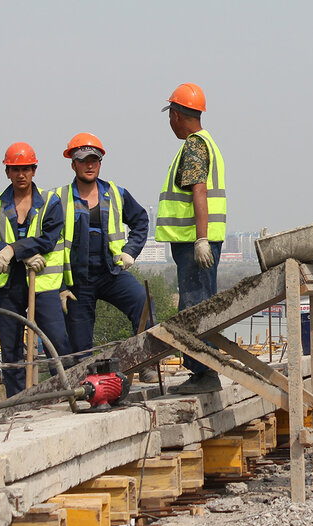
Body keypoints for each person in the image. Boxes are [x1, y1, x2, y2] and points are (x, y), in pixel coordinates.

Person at [0, 142, 71, 397]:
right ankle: (18, 400)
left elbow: (48, 239)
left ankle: (63, 392)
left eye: (26, 169)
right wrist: (19, 254)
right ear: (7, 172)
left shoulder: (50, 203)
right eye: (15, 169)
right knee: (10, 348)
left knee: (56, 342)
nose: (21, 174)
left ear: (34, 170)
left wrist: (12, 251)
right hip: (9, 285)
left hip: (41, 283)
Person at [51, 133, 151, 368]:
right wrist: (61, 287)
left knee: (143, 304)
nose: (89, 165)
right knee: (80, 348)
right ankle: (87, 388)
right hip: (77, 281)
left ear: (100, 163)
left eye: (94, 160)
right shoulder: (58, 198)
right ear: (73, 163)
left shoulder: (116, 193)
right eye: (83, 160)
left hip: (111, 273)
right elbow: (50, 244)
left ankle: (144, 362)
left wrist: (130, 251)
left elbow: (140, 221)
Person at [156, 83, 227, 394]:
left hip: (195, 244)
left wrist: (200, 239)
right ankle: (203, 371)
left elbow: (199, 190)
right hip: (198, 242)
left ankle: (203, 373)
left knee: (194, 306)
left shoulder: (194, 146)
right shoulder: (206, 142)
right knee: (201, 305)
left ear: (176, 115)